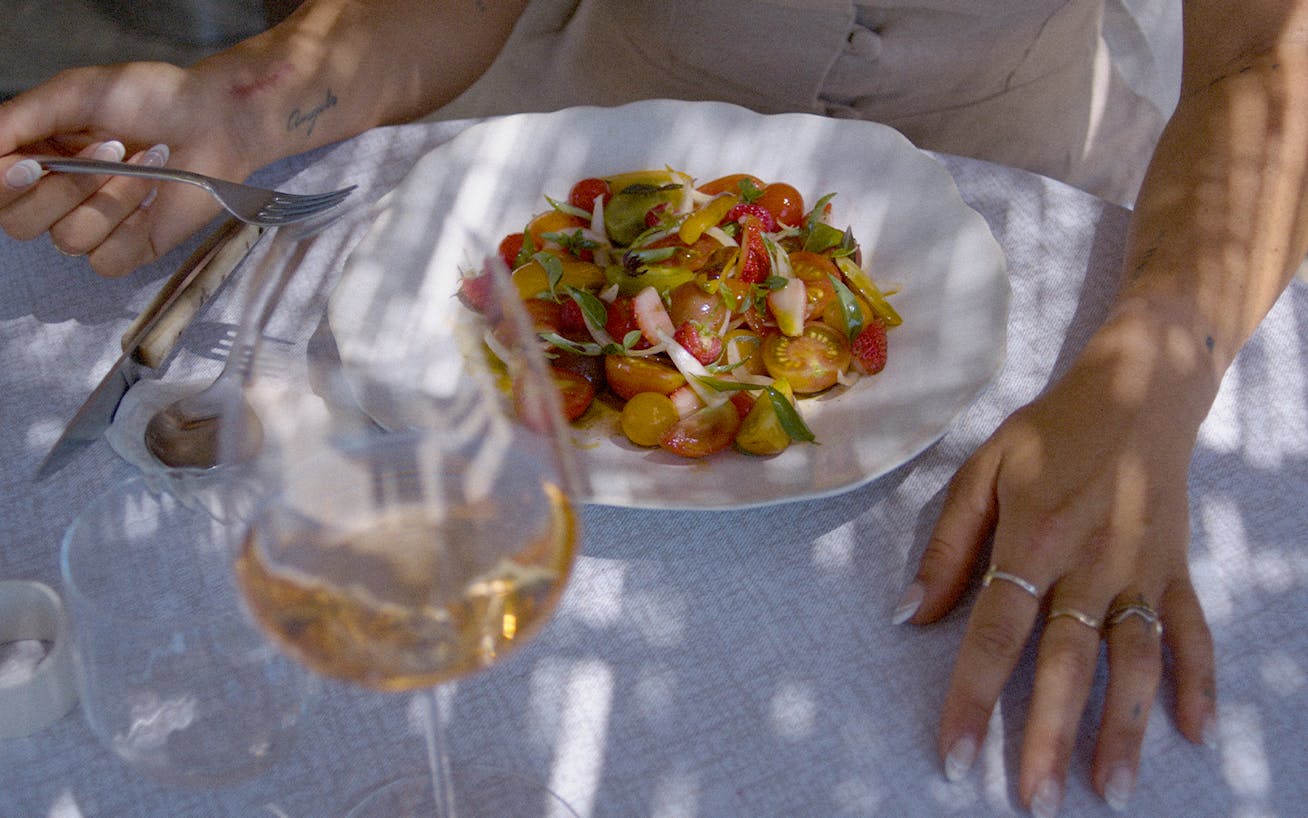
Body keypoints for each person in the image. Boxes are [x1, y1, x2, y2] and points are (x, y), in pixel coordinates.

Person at [1, 1, 1304, 814]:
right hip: (574, 193)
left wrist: (1149, 380)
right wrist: (249, 103)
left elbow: (1263, 56)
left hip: (1004, 265)